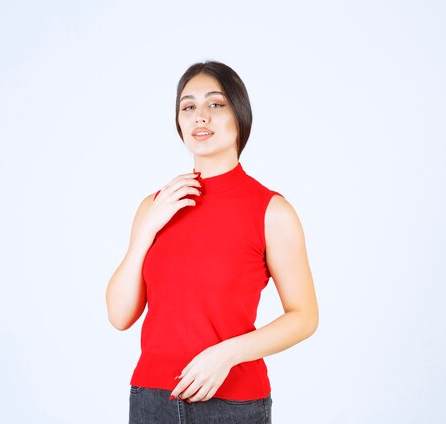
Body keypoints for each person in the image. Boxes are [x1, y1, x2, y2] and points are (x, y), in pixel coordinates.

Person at [105, 60, 319, 424]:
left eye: (215, 104)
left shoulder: (271, 211)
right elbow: (119, 315)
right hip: (151, 399)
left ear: (240, 116)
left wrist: (225, 355)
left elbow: (304, 316)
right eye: (188, 107)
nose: (199, 116)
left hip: (232, 404)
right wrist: (147, 229)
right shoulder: (155, 206)